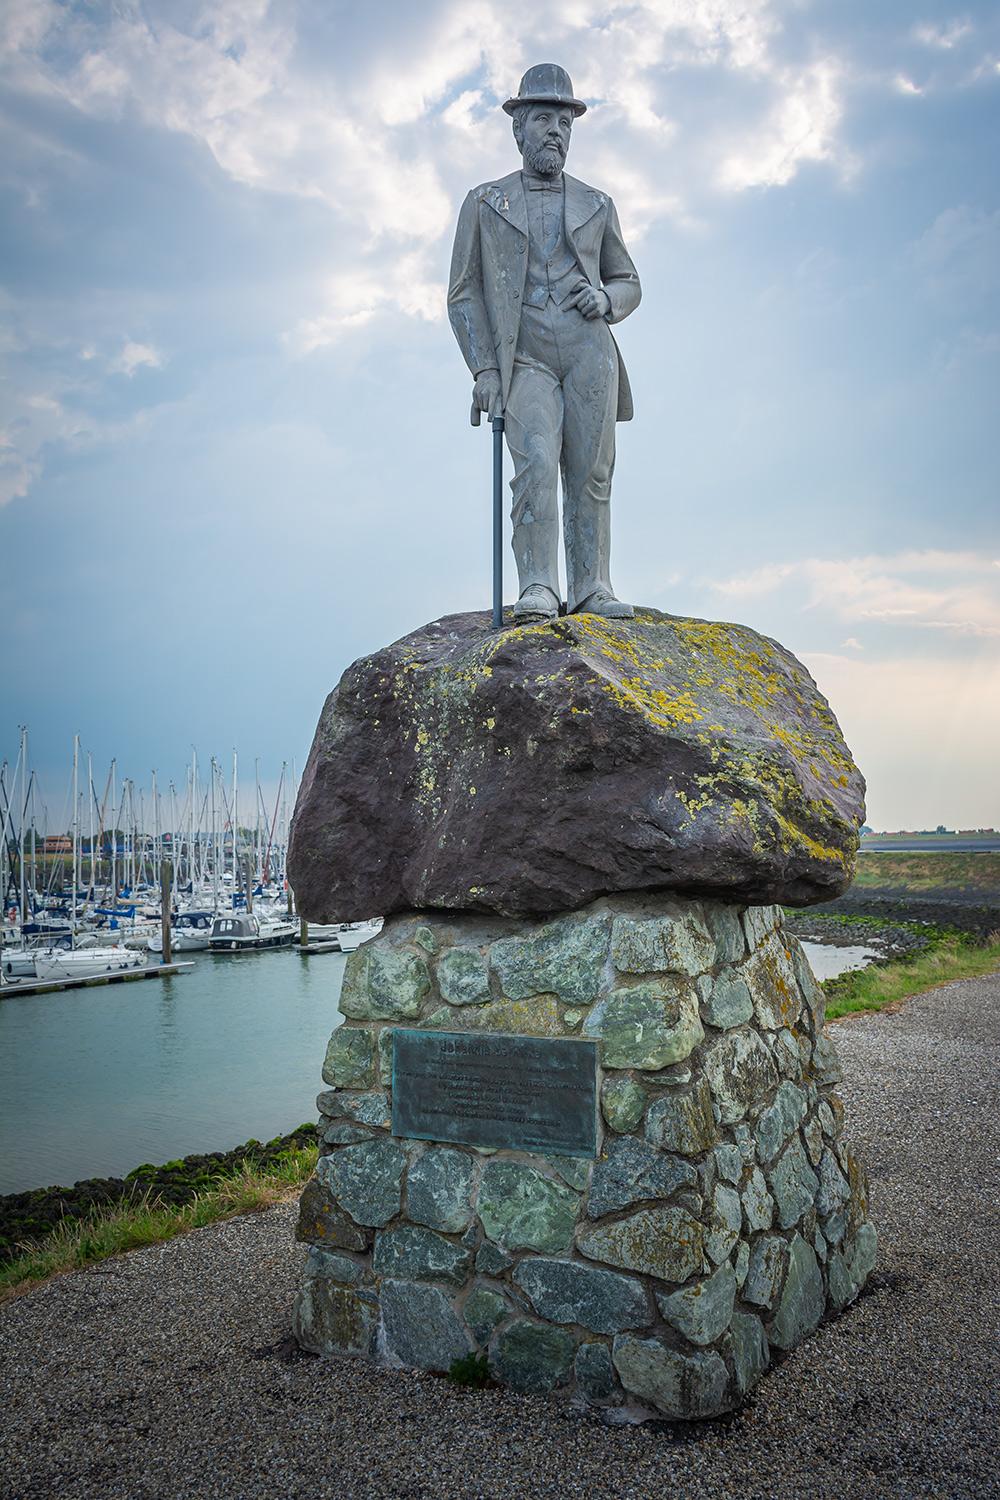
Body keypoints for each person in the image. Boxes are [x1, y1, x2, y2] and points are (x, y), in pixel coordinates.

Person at [448, 63, 642, 623]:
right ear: (518, 128)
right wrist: (484, 370)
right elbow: (463, 294)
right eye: (542, 119)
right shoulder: (486, 203)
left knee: (592, 470)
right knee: (535, 464)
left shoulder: (597, 203)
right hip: (524, 354)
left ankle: (592, 586)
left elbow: (628, 280)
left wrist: (607, 301)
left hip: (588, 351)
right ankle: (537, 584)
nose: (555, 130)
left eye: (564, 120)